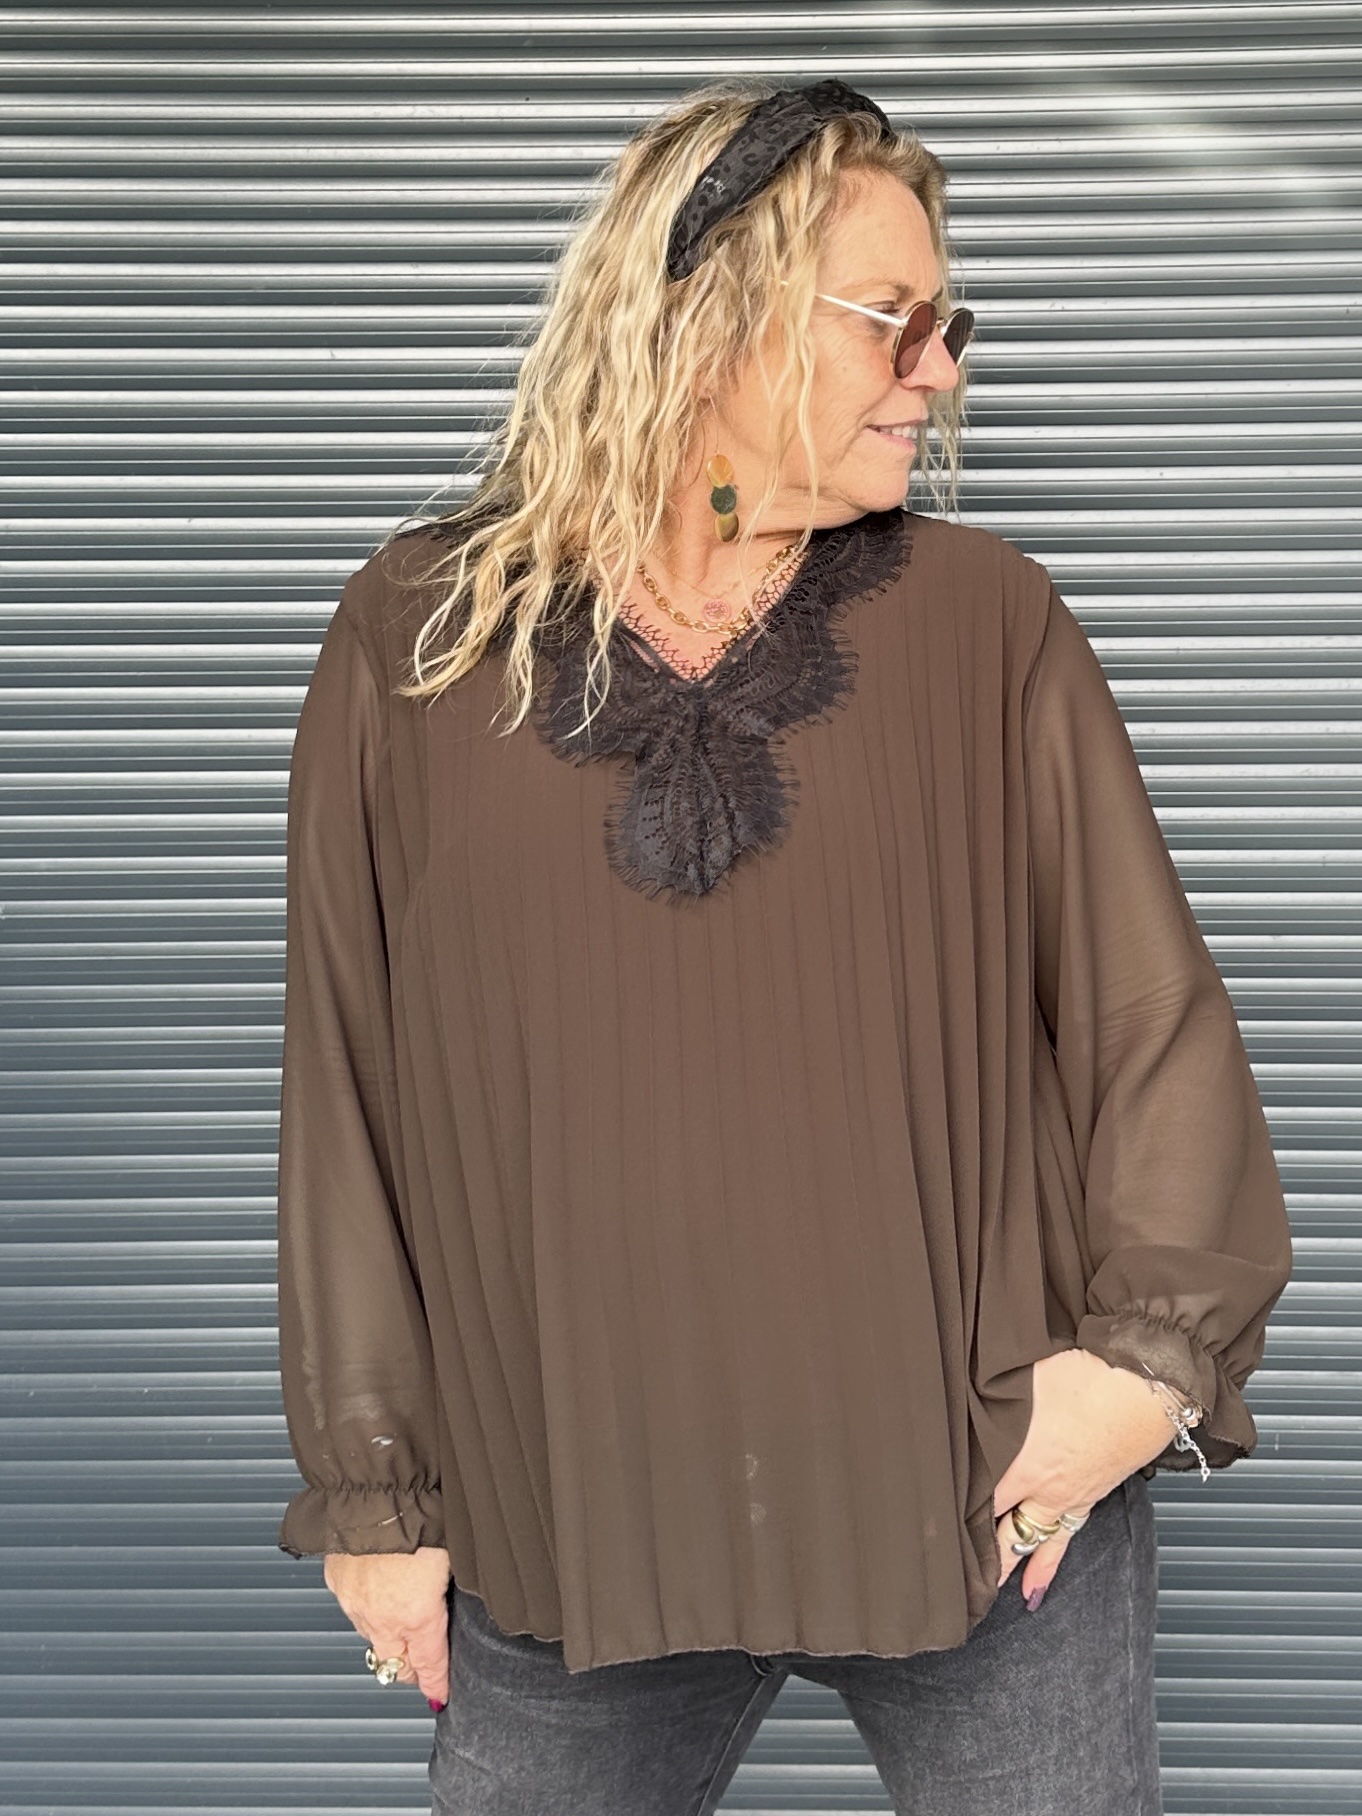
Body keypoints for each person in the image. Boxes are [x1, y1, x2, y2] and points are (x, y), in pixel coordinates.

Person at [274, 77, 1294, 1815]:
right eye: (896, 319)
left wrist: (1140, 1372)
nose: (940, 372)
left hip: (983, 1510)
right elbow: (346, 1086)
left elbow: (1149, 1018)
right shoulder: (419, 641)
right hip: (560, 1521)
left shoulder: (985, 626)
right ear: (711, 310)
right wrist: (377, 1490)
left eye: (948, 326)